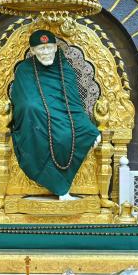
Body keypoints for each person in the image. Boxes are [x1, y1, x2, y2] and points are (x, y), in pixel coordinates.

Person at [10, 29, 100, 199]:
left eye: (49, 47)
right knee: (32, 108)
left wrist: (89, 127)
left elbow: (74, 103)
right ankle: (59, 188)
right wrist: (38, 110)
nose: (46, 52)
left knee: (73, 135)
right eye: (41, 49)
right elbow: (23, 101)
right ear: (32, 50)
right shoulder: (24, 70)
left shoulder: (64, 68)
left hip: (65, 118)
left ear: (56, 48)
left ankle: (62, 187)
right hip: (35, 122)